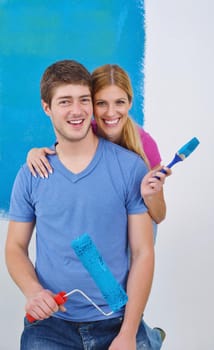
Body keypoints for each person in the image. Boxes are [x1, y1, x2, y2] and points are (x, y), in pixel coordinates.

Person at [5, 59, 163, 349]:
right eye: (65, 101)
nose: (76, 110)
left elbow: (143, 251)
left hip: (116, 320)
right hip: (51, 325)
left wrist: (128, 333)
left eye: (84, 100)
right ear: (46, 108)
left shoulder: (132, 165)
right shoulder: (32, 173)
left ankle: (144, 335)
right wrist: (33, 291)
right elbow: (15, 247)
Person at [26, 64, 171, 228]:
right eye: (101, 103)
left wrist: (151, 195)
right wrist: (34, 153)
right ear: (90, 104)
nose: (111, 112)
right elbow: (61, 152)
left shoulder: (145, 144)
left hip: (139, 233)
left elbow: (159, 216)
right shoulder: (84, 132)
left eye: (120, 102)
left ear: (130, 103)